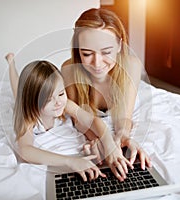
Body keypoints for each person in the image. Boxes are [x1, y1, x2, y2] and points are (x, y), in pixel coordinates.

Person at [5, 53, 132, 182]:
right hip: (24, 102)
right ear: (33, 102)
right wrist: (70, 161)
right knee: (17, 92)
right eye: (49, 99)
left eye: (61, 93)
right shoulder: (28, 117)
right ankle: (11, 63)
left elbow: (93, 120)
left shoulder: (65, 105)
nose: (58, 102)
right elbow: (25, 150)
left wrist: (109, 144)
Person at [61, 8, 152, 171]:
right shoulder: (69, 68)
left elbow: (124, 116)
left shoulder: (131, 65)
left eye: (106, 52)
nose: (97, 64)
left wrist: (123, 136)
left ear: (119, 45)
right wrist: (97, 139)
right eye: (87, 53)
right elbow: (78, 118)